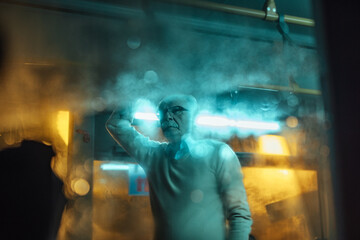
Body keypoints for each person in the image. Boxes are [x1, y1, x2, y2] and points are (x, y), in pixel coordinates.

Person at [106, 94, 252, 240]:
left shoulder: (218, 153)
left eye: (177, 110)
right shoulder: (154, 156)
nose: (168, 116)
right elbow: (115, 123)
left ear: (195, 117)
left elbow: (239, 213)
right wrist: (135, 94)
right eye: (162, 113)